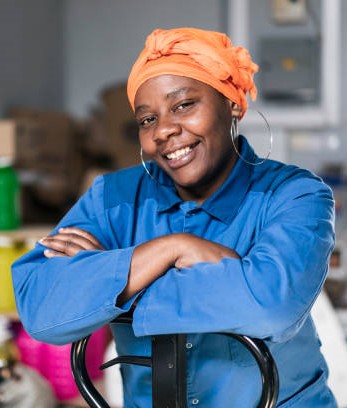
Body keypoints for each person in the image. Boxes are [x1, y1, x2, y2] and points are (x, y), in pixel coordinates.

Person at [12, 27, 337, 407]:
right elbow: (41, 307)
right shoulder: (113, 197)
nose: (164, 130)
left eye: (184, 105)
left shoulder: (294, 194)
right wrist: (173, 249)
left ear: (232, 102)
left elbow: (272, 307)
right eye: (147, 120)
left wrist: (111, 283)